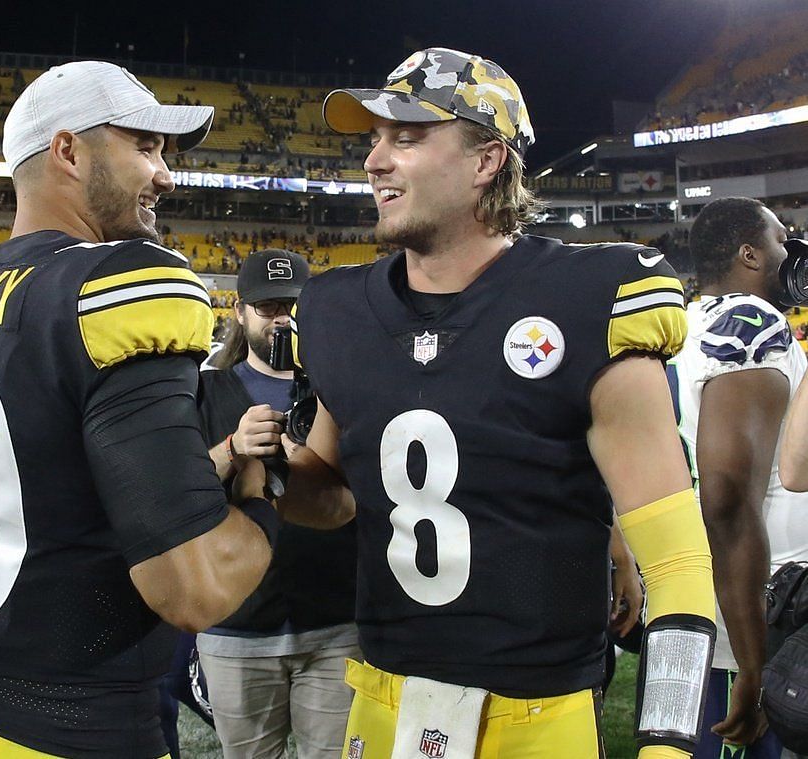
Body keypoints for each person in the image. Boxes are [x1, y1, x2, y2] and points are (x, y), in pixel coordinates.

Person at [281, 47, 717, 759]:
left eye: (407, 137)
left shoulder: (586, 300)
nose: (374, 161)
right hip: (382, 697)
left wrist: (669, 744)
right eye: (373, 139)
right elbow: (328, 492)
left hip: (533, 713)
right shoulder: (338, 308)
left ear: (486, 160)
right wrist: (263, 468)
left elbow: (676, 565)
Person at [0, 60, 279, 759]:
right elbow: (194, 591)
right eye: (144, 147)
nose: (165, 174)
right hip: (75, 732)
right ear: (68, 150)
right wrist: (261, 490)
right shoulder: (118, 284)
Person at [197, 248, 359, 759]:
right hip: (237, 621)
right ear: (240, 313)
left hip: (336, 615)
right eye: (267, 307)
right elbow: (179, 489)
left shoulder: (342, 387)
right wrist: (231, 448)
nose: (281, 319)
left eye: (291, 306)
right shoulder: (204, 389)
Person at [669, 197, 808, 759]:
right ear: (750, 254)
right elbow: (727, 496)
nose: (790, 250)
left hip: (693, 585)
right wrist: (753, 659)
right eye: (780, 240)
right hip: (752, 604)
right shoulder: (752, 324)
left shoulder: (683, 318)